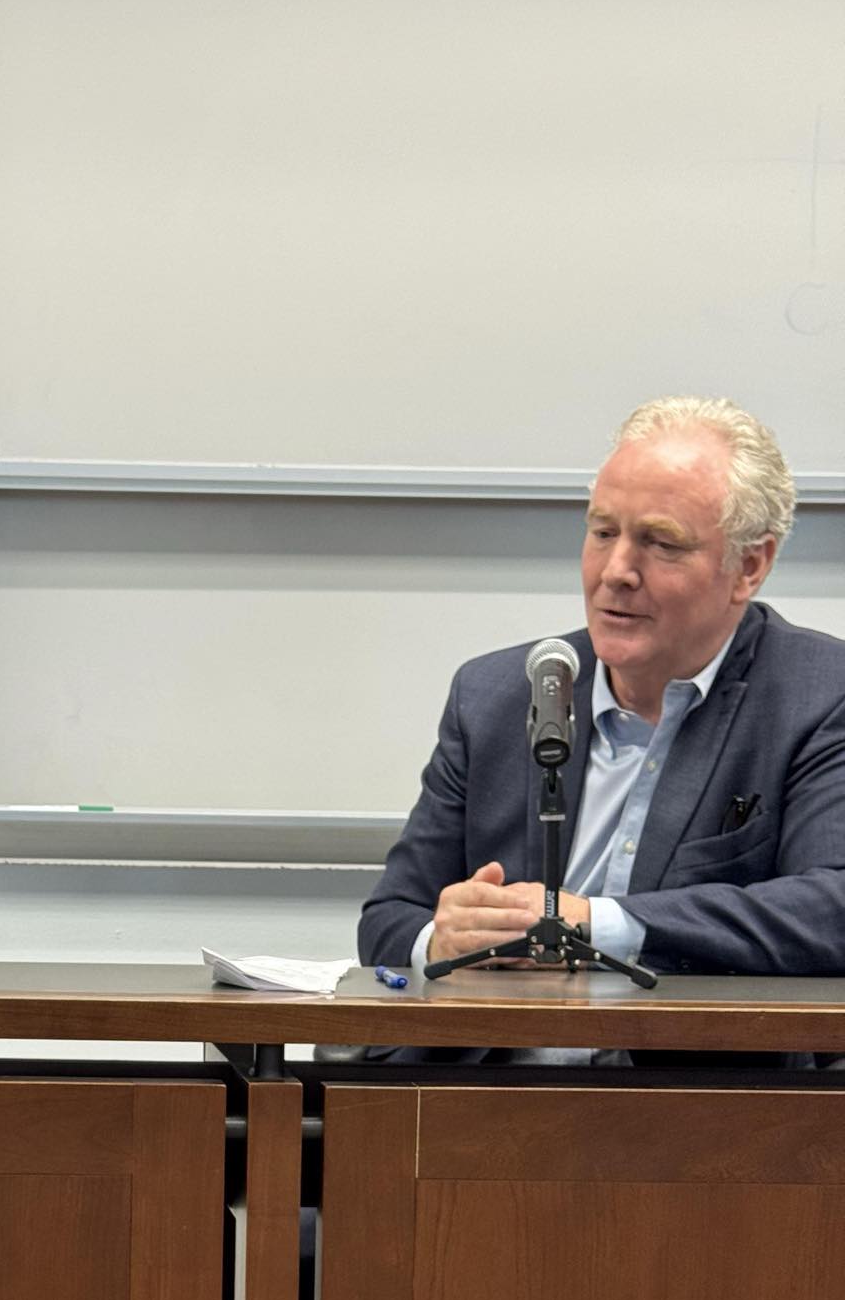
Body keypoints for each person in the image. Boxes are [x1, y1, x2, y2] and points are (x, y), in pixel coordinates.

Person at [361, 396, 845, 990]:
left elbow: (831, 908)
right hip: (488, 1070)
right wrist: (441, 939)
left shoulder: (818, 696)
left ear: (749, 566)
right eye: (603, 532)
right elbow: (388, 918)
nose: (616, 570)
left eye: (661, 543)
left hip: (687, 1075)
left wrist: (597, 923)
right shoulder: (493, 695)